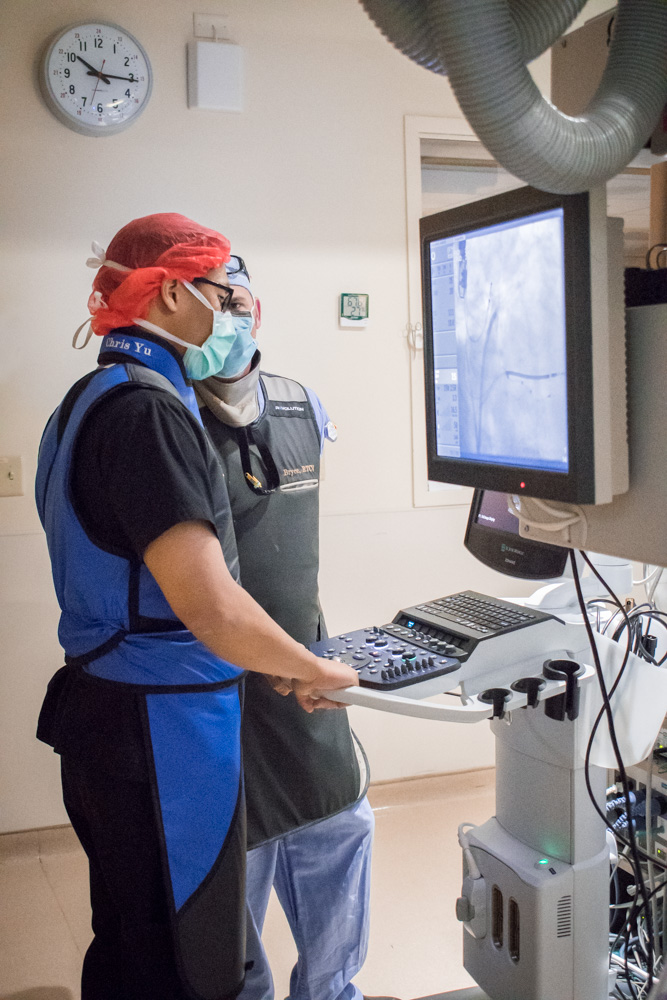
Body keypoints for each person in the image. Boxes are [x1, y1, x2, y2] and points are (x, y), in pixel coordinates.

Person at [35, 214, 358, 1000]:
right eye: (220, 292)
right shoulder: (148, 412)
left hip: (109, 712)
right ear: (174, 293)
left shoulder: (86, 399)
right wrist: (311, 668)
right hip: (160, 728)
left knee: (133, 940)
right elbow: (210, 605)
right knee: (186, 964)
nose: (230, 312)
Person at [197, 256, 376, 1000]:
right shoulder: (164, 415)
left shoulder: (300, 406)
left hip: (307, 676)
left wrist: (309, 661)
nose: (230, 318)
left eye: (239, 302)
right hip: (214, 694)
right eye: (215, 302)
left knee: (343, 829)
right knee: (234, 879)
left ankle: (331, 992)